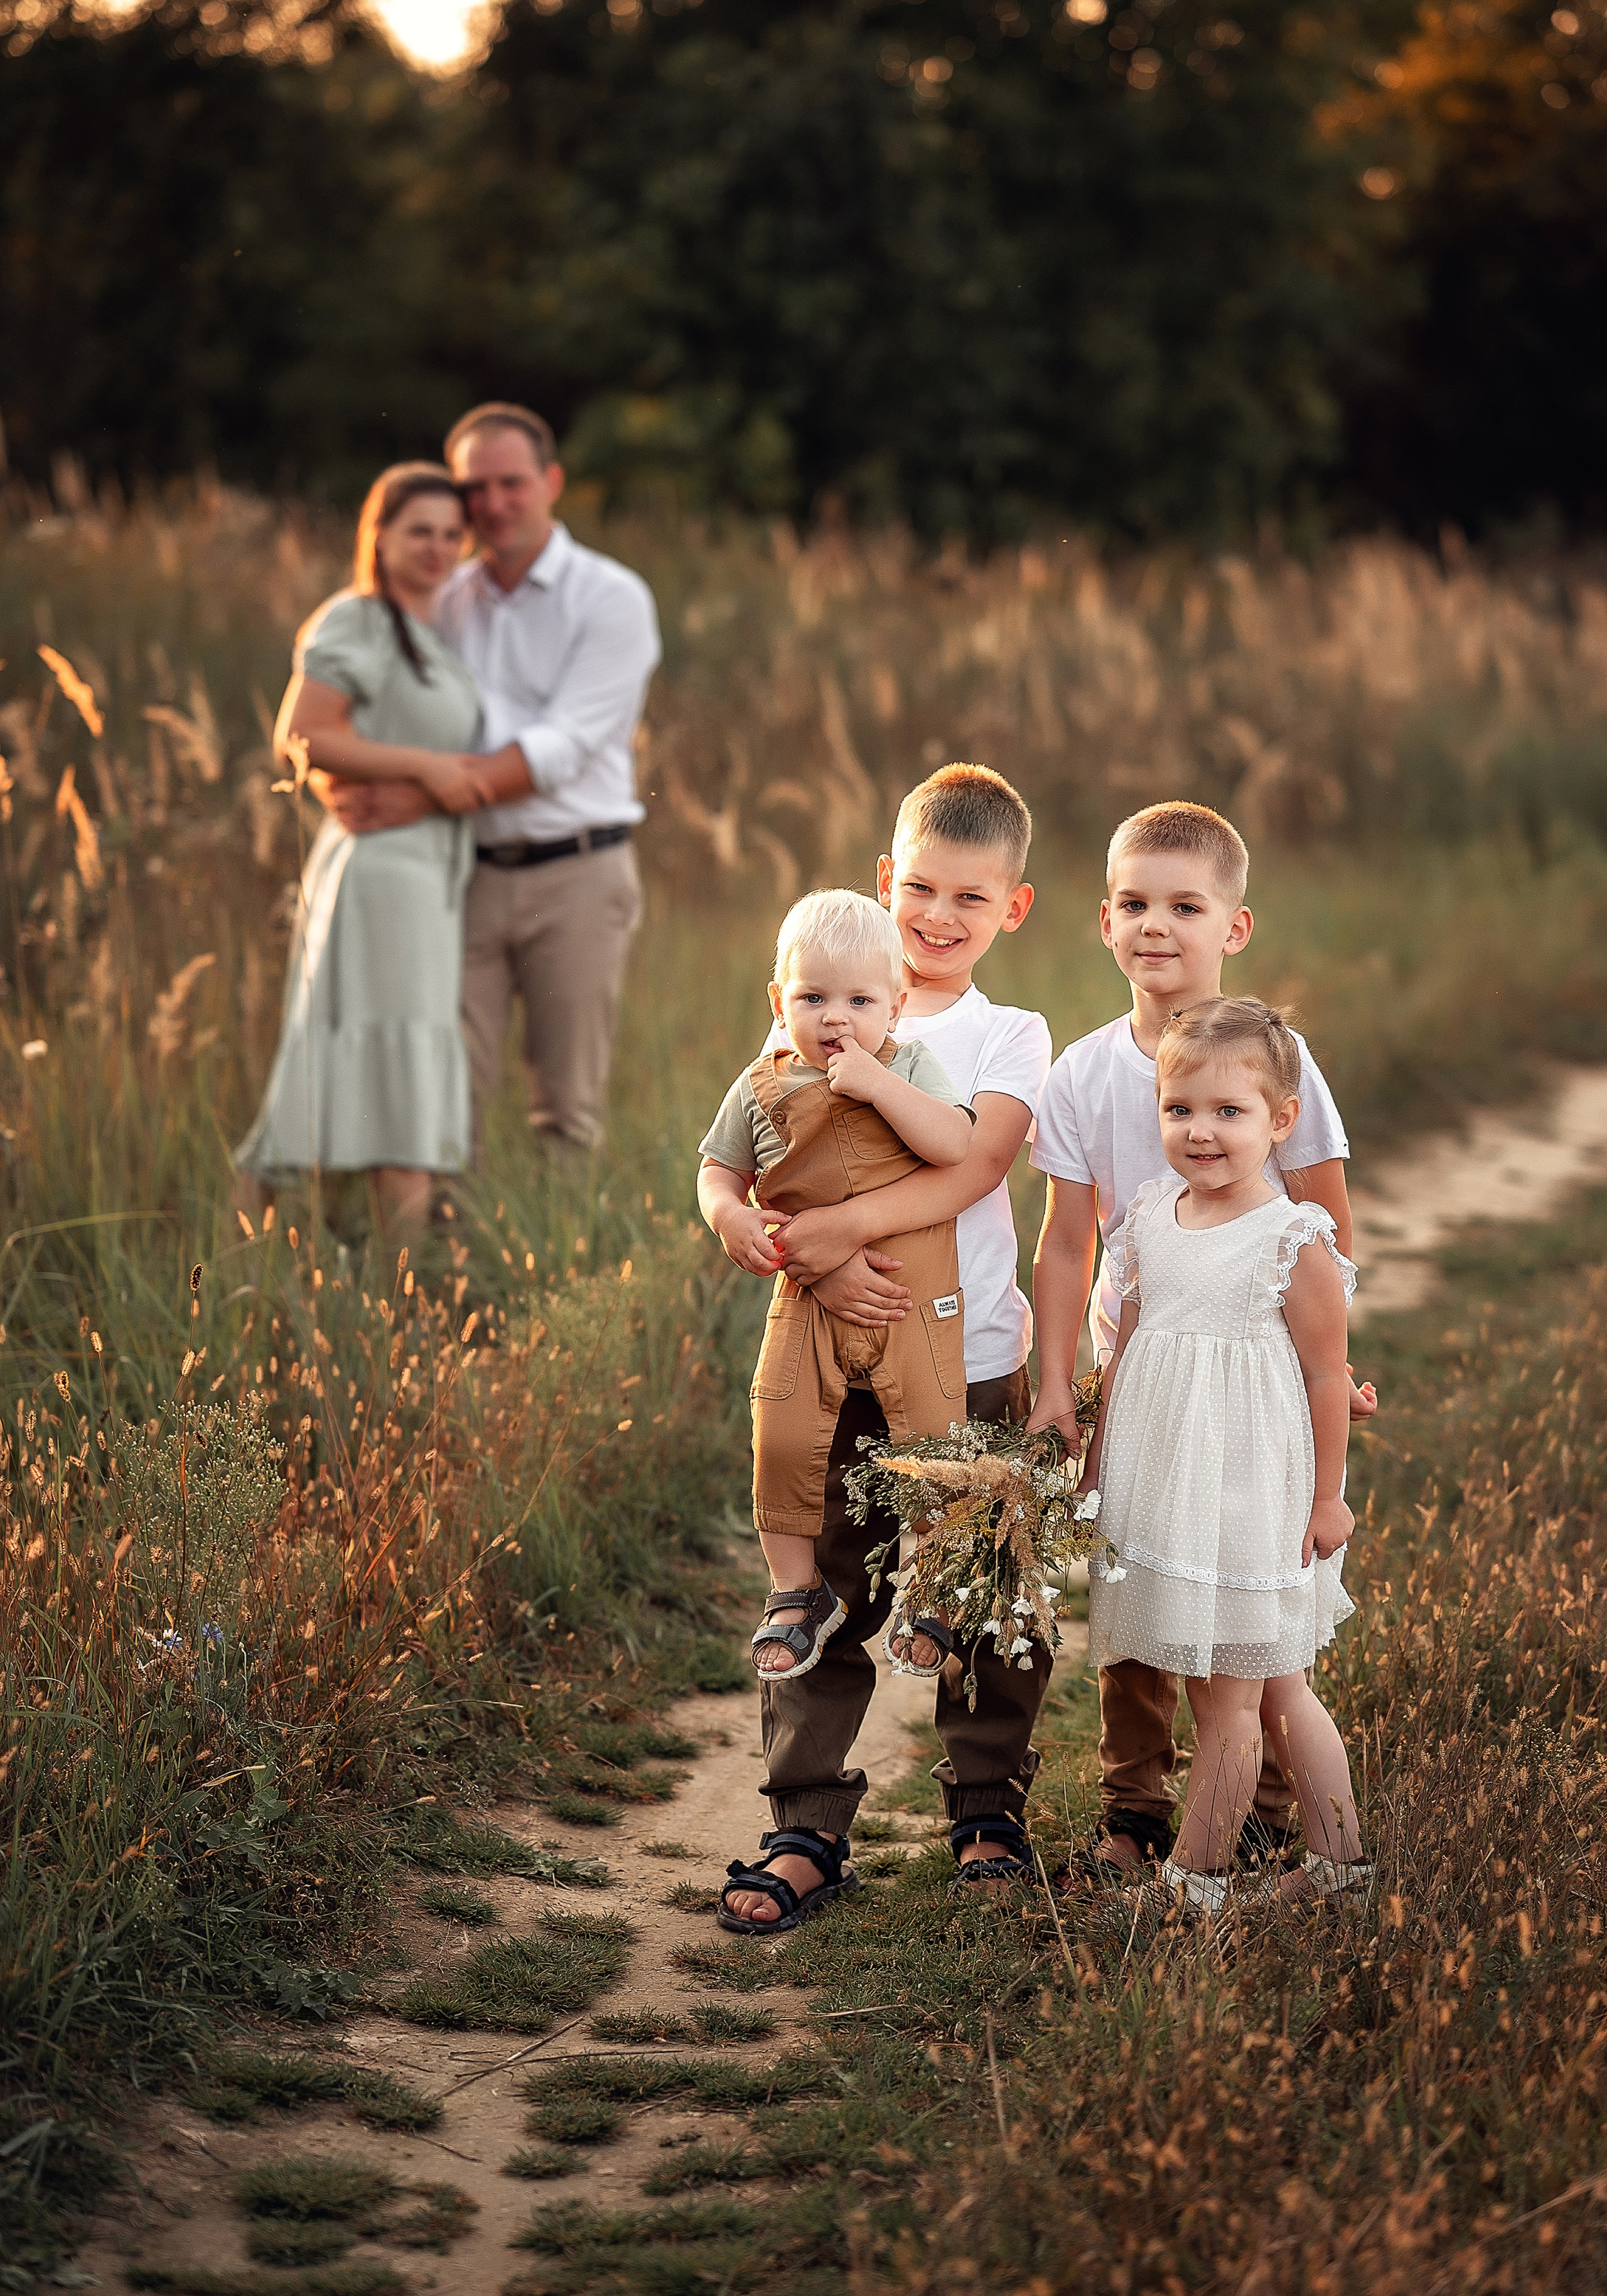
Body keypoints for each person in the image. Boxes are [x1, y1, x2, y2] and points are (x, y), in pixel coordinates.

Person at [716, 765, 1053, 1922]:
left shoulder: (1008, 1033)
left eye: (971, 896)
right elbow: (763, 1161)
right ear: (883, 881)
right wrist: (802, 1252)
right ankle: (805, 1824)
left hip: (971, 1353)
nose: (938, 916)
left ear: (1012, 908)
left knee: (980, 1577)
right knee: (826, 1580)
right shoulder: (816, 1007)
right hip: (833, 1350)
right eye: (919, 887)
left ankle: (987, 1811)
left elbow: (976, 1164)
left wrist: (838, 1235)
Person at [1028, 799, 1376, 1885]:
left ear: (1235, 924)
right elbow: (1066, 1243)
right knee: (1143, 1613)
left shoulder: (1281, 1062)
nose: (1157, 925)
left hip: (1249, 1387)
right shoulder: (1086, 1072)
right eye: (1134, 904)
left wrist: (1335, 1371)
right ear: (1104, 921)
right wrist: (1061, 1386)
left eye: (1186, 905)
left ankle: (1258, 1830)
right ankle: (1137, 1808)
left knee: (1252, 1664)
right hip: (1143, 1374)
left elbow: (1325, 1227)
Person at [698, 890, 974, 1932]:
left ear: (896, 1006)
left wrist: (874, 1082)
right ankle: (796, 1590)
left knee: (931, 1442)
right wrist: (729, 1216)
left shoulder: (912, 1067)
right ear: (779, 1000)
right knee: (782, 1434)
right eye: (813, 997)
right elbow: (719, 1169)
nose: (835, 1018)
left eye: (860, 1000)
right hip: (809, 1302)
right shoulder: (761, 1083)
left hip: (905, 1301)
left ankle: (932, 1583)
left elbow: (955, 1147)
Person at [1077, 996, 1372, 1913]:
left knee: (1231, 1706)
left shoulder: (1292, 1238)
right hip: (1173, 1490)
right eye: (1180, 1109)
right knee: (1278, 1690)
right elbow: (1127, 1351)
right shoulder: (1150, 1216)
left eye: (1228, 1111)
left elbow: (1326, 1377)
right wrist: (1098, 1463)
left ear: (1282, 1121)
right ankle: (1339, 1869)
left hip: (1249, 1500)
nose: (1200, 1131)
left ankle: (1193, 1883)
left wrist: (1327, 1498)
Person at [318, 402, 661, 1158]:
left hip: (577, 873)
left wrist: (409, 795)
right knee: (447, 1091)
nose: (493, 503)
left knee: (567, 1109)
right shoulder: (443, 597)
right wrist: (345, 783)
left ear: (551, 483)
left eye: (512, 483)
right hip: (459, 872)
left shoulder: (611, 597)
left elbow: (563, 746)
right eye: (475, 488)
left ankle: (563, 1235)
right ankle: (446, 1236)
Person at [235, 463, 502, 1233]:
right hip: (383, 870)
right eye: (419, 531)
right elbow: (302, 734)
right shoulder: (357, 618)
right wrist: (425, 767)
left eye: (451, 534)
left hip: (424, 869)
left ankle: (381, 1269)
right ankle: (388, 1273)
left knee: (398, 1053)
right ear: (378, 536)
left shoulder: (431, 634)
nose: (438, 547)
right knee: (397, 1061)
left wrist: (421, 777)